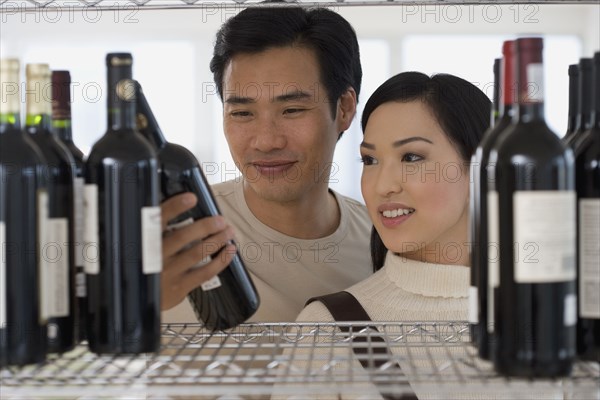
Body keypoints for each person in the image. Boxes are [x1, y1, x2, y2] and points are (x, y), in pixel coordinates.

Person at [272, 71, 494, 399]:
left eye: (411, 157)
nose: (383, 185)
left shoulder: (555, 316)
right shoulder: (327, 330)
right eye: (370, 160)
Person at [161, 5, 372, 323]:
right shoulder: (174, 236)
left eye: (292, 110)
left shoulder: (381, 242)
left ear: (344, 108)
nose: (266, 141)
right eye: (242, 113)